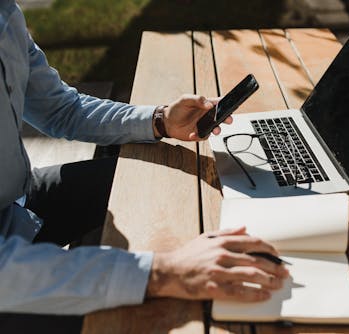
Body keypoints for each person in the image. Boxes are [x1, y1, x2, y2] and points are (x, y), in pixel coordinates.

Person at [0, 1, 288, 332]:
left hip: (19, 198)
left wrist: (160, 122)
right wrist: (162, 271)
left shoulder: (5, 14)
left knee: (171, 179)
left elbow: (59, 110)